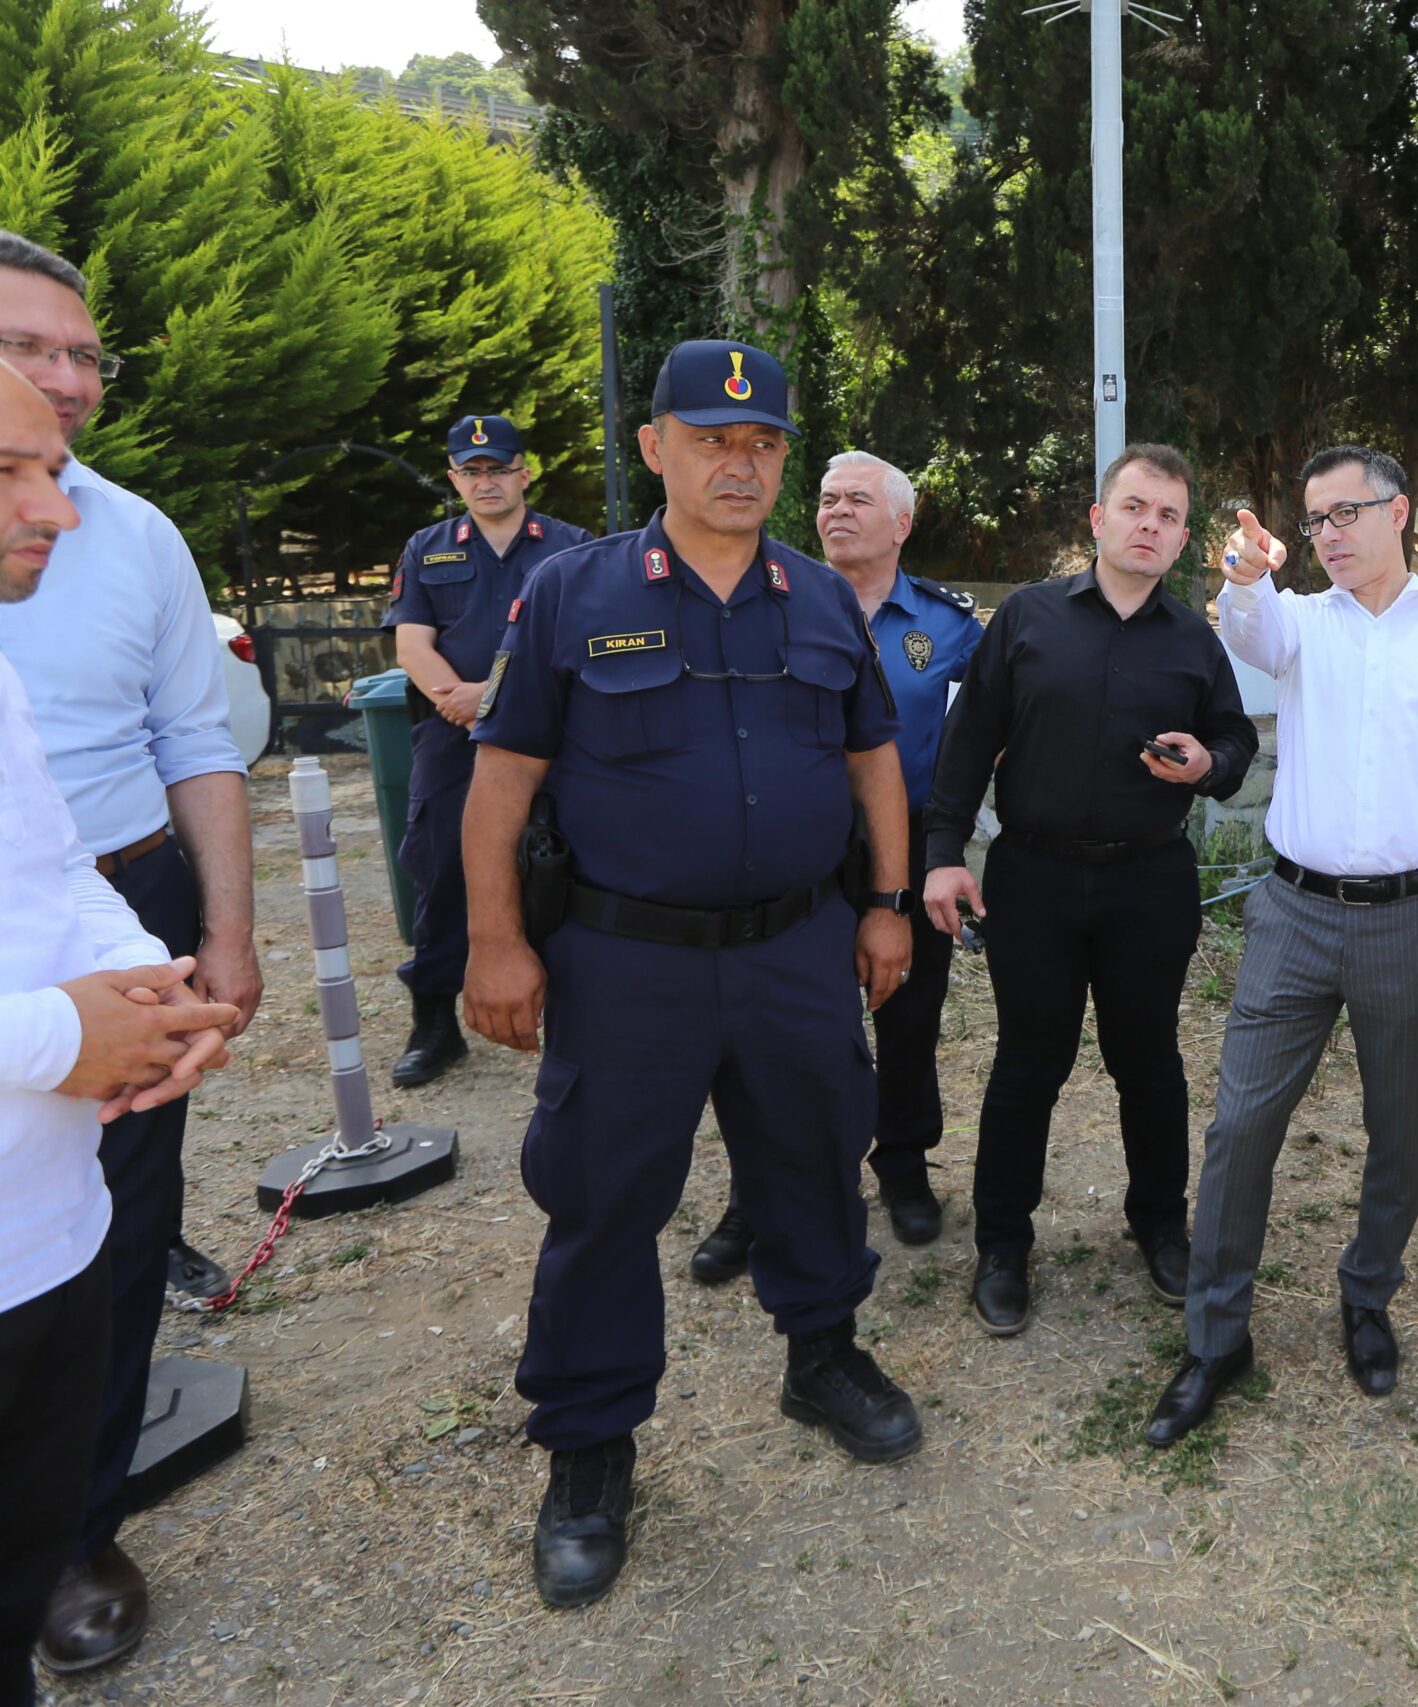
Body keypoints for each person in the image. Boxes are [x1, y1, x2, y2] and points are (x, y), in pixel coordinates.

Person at [461, 339, 921, 1609]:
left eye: (763, 443)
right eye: (713, 440)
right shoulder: (570, 590)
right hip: (626, 963)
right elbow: (501, 783)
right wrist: (494, 942)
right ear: (655, 447)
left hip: (795, 948)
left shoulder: (820, 598)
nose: (741, 463)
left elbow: (872, 761)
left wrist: (885, 907)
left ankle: (821, 1355)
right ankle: (590, 1445)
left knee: (815, 1155)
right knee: (603, 1194)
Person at [0, 230, 263, 1679]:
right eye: (26, 349)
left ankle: (71, 1527)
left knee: (112, 1236)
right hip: (39, 995)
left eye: (84, 354)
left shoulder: (134, 533)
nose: (66, 377)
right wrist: (56, 1030)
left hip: (121, 901)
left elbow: (175, 750)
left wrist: (199, 948)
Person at [1147, 443, 1418, 1446]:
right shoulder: (1300, 623)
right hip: (1295, 912)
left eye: (1345, 513)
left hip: (1416, 918)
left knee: (1399, 1128)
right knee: (1240, 1125)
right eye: (1315, 521)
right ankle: (1216, 1337)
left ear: (1398, 512)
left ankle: (1367, 1295)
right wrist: (1245, 573)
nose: (1329, 535)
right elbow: (1248, 627)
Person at [922, 443, 1257, 1334]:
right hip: (1033, 879)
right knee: (1028, 1063)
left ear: (1182, 537)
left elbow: (1236, 743)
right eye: (1136, 508)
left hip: (1149, 882)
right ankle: (1003, 1242)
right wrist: (944, 850)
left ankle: (1160, 1225)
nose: (1150, 526)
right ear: (1099, 519)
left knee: (1148, 1062)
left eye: (1169, 516)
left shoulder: (1194, 641)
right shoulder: (1026, 618)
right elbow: (969, 739)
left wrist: (1208, 763)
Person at [689, 449, 982, 1274]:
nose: (837, 511)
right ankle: (758, 1192)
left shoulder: (949, 625)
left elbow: (985, 733)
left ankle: (903, 1164)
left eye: (858, 499)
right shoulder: (770, 605)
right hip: (796, 841)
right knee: (776, 1026)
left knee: (909, 1014)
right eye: (827, 498)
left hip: (910, 842)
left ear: (902, 523)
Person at [380, 413, 592, 1088]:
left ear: (524, 473)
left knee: (569, 864)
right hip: (453, 737)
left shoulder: (572, 548)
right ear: (454, 479)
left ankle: (580, 1011)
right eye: (471, 471)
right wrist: (461, 699)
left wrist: (491, 695)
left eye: (498, 468)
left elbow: (578, 643)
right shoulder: (427, 548)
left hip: (553, 735)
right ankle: (434, 1023)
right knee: (442, 866)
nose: (486, 481)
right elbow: (411, 643)